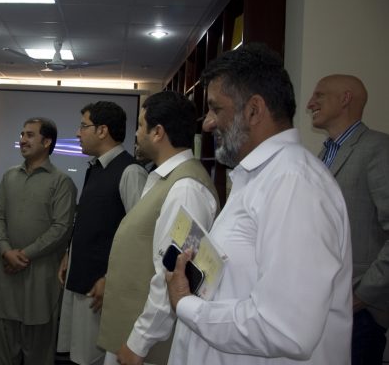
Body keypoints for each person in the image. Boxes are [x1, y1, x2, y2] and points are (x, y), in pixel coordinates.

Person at [165, 43, 352, 365]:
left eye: (216, 109)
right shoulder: (257, 177)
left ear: (254, 110)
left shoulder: (294, 183)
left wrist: (185, 303)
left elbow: (285, 328)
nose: (207, 123)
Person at [97, 91, 219, 365]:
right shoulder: (166, 178)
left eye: (141, 125)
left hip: (150, 347)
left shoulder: (185, 188)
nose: (136, 133)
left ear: (158, 132)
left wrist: (139, 343)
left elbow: (171, 275)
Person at [306, 74, 389, 364]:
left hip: (359, 313)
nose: (310, 103)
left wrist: (362, 296)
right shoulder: (324, 154)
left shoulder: (378, 149)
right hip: (323, 306)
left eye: (319, 95)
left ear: (345, 98)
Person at [57, 101, 147, 365]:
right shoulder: (95, 168)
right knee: (79, 355)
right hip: (82, 276)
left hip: (102, 287)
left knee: (94, 357)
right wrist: (69, 253)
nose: (78, 133)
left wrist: (111, 279)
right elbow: (91, 220)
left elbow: (139, 239)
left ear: (102, 130)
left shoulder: (130, 172)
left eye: (83, 126)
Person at [0, 117, 78, 365]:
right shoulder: (9, 176)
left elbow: (61, 228)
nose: (23, 140)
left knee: (38, 354)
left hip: (39, 280)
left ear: (47, 142)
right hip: (5, 279)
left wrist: (24, 255)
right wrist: (6, 251)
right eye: (22, 134)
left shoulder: (62, 182)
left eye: (30, 135)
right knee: (2, 354)